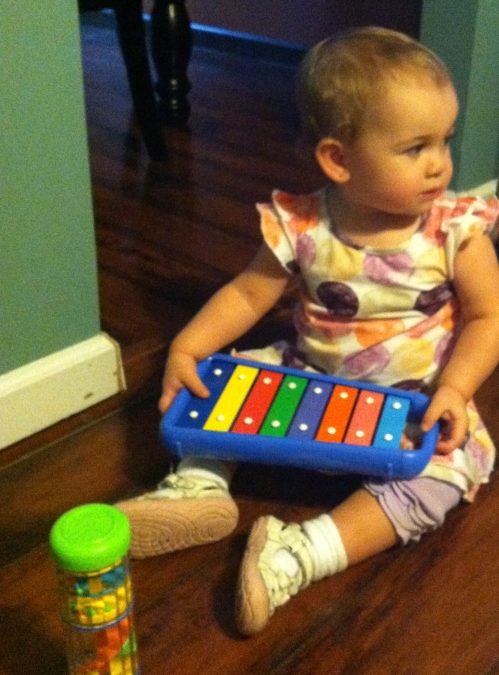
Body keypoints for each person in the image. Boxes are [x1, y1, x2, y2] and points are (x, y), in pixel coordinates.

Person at [117, 27, 499, 635]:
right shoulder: (303, 224)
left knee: (443, 478)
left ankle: (300, 552)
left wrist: (455, 391)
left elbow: (486, 318)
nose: (439, 164)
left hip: (414, 405)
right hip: (311, 377)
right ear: (338, 160)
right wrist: (188, 347)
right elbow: (248, 292)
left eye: (444, 141)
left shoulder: (458, 230)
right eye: (414, 147)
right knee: (226, 384)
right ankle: (198, 487)